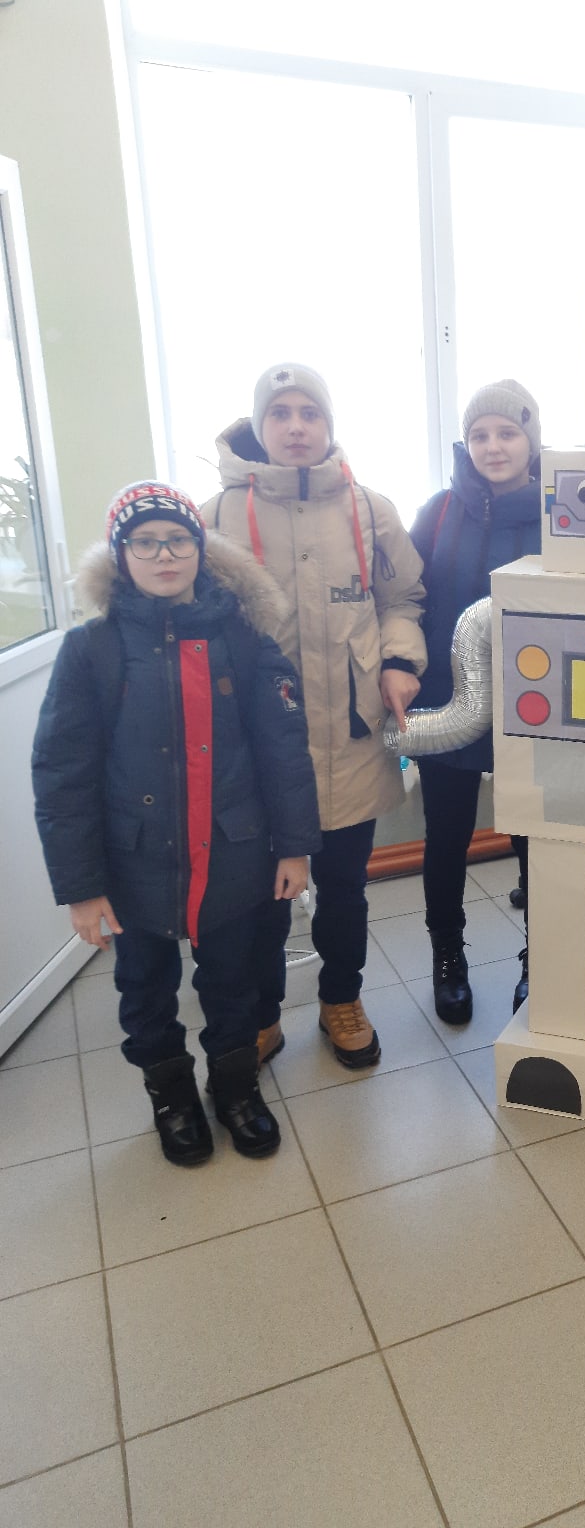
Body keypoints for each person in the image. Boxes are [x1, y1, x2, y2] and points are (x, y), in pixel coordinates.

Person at [32, 482, 321, 1165]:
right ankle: (171, 1093)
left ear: (200, 550)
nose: (163, 555)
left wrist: (295, 848)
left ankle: (236, 1086)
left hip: (234, 855)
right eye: (145, 542)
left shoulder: (242, 639)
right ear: (121, 555)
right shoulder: (92, 650)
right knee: (144, 988)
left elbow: (284, 751)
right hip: (134, 865)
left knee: (234, 980)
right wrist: (82, 887)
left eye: (178, 540)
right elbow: (63, 774)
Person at [202, 365, 427, 1068]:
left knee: (345, 889)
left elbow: (403, 598)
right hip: (258, 750)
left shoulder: (370, 509)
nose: (296, 427)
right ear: (260, 426)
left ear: (328, 425)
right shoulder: (214, 518)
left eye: (310, 413)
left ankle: (341, 999)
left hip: (350, 738)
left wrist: (399, 659)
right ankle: (263, 1014)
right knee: (262, 895)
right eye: (280, 413)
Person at [409, 379, 542, 1023]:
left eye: (507, 432)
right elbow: (408, 599)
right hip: (448, 702)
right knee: (446, 837)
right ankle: (448, 958)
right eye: (480, 435)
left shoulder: (561, 512)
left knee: (534, 838)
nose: (494, 446)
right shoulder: (438, 512)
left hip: (534, 707)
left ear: (531, 440)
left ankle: (538, 958)